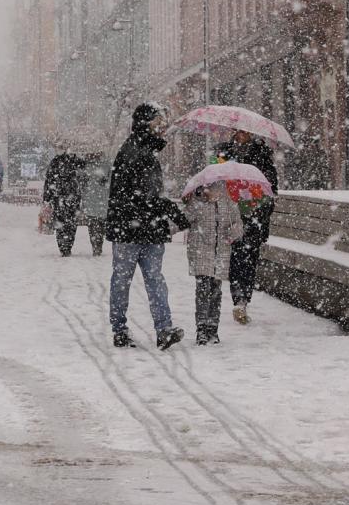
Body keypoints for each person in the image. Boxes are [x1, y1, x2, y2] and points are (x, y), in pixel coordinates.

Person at [105, 103, 190, 350]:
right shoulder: (135, 152)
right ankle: (123, 329)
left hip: (142, 228)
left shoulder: (144, 151)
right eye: (157, 122)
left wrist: (165, 210)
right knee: (130, 280)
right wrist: (171, 210)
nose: (162, 127)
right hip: (131, 229)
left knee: (146, 279)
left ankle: (161, 329)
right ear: (144, 124)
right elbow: (142, 197)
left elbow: (146, 196)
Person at [220, 130, 278, 325]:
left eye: (245, 131)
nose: (241, 134)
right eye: (238, 131)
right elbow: (216, 183)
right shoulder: (224, 153)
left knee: (249, 260)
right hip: (233, 216)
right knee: (236, 258)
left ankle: (243, 300)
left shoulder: (262, 155)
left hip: (254, 217)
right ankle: (238, 299)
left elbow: (271, 189)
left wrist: (256, 201)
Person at [183, 183, 243, 345]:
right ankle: (201, 329)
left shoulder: (228, 203)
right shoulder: (197, 203)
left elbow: (238, 224)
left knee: (216, 291)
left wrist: (232, 233)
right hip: (201, 252)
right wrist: (196, 199)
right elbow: (184, 218)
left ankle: (213, 328)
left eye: (216, 189)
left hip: (221, 253)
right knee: (203, 289)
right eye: (209, 189)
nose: (213, 193)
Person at [43, 142, 84, 257]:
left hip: (64, 197)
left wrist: (47, 196)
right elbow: (49, 180)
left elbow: (49, 180)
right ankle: (65, 246)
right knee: (67, 223)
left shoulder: (67, 160)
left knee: (65, 223)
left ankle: (65, 246)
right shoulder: (60, 161)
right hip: (66, 197)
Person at [79, 151, 110, 256]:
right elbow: (81, 183)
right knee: (94, 227)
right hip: (92, 203)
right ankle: (96, 247)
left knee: (98, 227)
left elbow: (111, 181)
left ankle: (97, 246)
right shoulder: (84, 165)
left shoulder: (106, 164)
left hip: (101, 203)